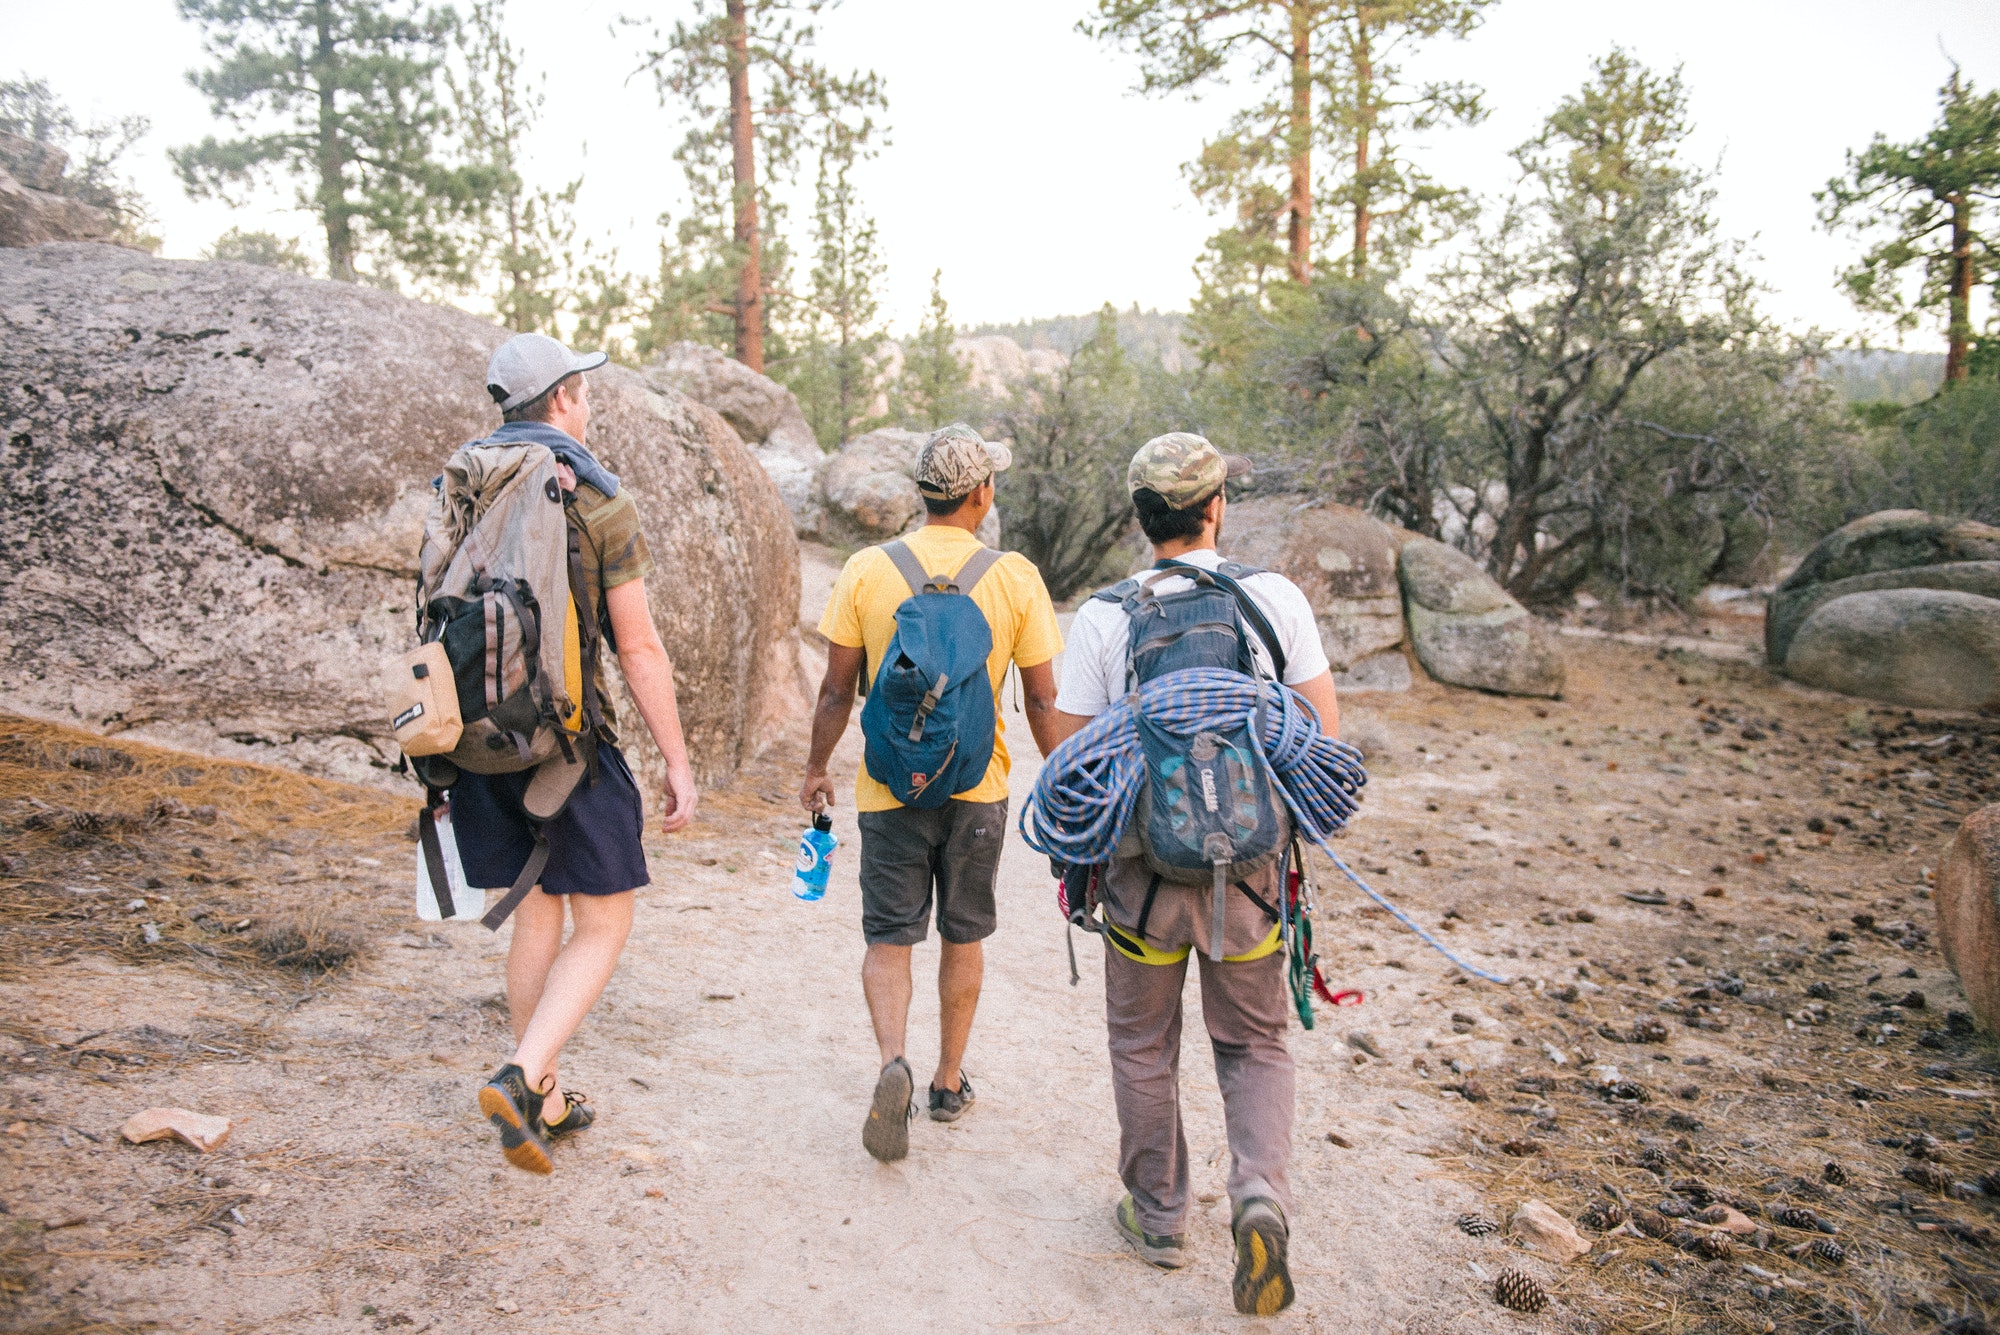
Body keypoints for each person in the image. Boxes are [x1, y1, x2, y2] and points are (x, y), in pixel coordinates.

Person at [1046, 432, 1340, 1316]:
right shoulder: (1273, 599)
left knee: (1142, 1044)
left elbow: (1065, 752)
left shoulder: (1105, 616)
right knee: (1253, 1043)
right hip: (1249, 878)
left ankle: (1160, 1215)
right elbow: (1321, 732)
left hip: (1140, 878)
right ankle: (1259, 1197)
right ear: (1217, 508)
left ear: (1142, 520)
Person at [456, 333, 700, 1175]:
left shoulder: (462, 482)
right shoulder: (593, 497)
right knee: (604, 917)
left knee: (534, 911)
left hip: (478, 739)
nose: (588, 406)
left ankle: (545, 1100)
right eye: (582, 392)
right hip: (567, 742)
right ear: (560, 399)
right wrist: (676, 757)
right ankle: (523, 1076)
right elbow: (638, 649)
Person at [801, 424, 1063, 1162]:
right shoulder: (1014, 577)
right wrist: (1071, 778)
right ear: (981, 494)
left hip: (889, 788)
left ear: (923, 494)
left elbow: (835, 689)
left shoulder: (866, 569)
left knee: (889, 935)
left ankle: (893, 1062)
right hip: (978, 789)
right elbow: (1042, 701)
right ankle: (948, 1080)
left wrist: (816, 768)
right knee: (964, 931)